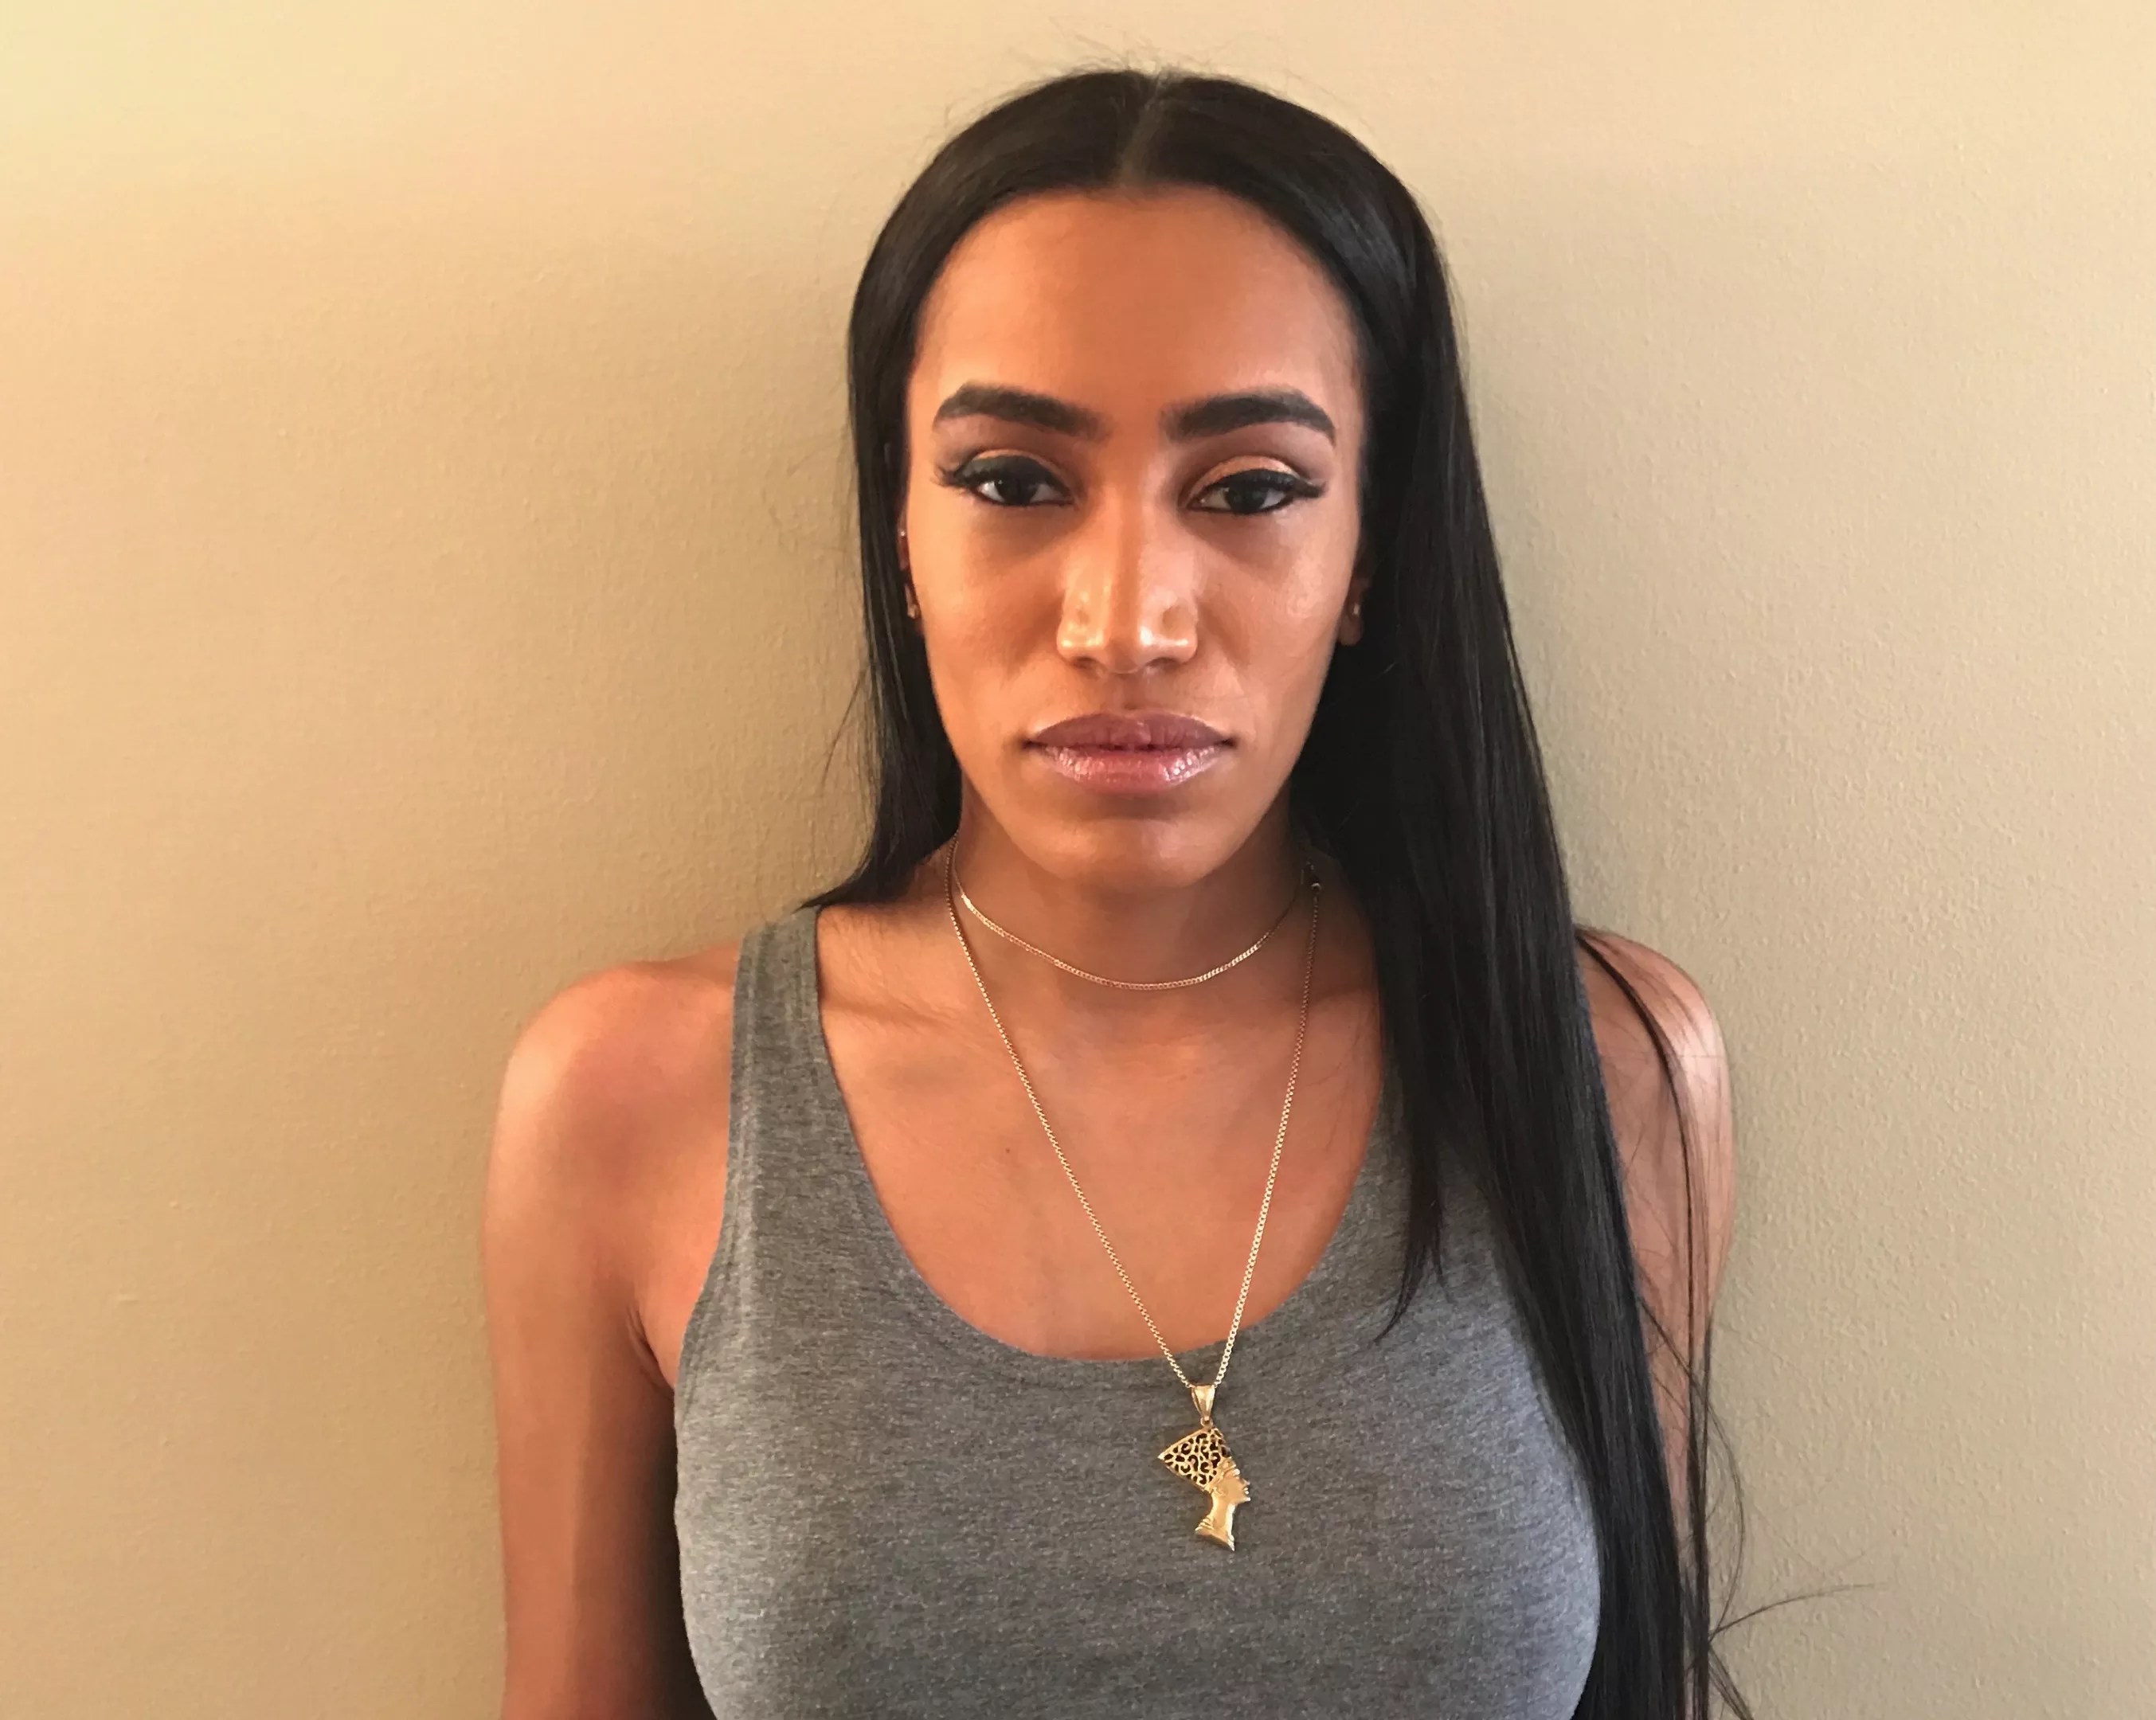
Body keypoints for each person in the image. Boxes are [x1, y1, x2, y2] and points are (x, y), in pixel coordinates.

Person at [483, 64, 1749, 1720]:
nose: (1129, 620)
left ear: (1368, 554)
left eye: (1251, 491)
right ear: (900, 529)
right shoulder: (635, 1099)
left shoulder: (1599, 1061)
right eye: (1013, 482)